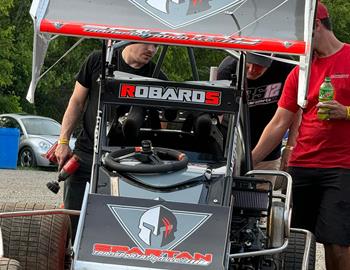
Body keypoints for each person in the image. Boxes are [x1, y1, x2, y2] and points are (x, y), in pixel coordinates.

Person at [252, 2, 350, 269]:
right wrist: (248, 161)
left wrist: (347, 111)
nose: (295, 41)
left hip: (341, 168)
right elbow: (279, 122)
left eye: (299, 33)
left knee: (338, 244)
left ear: (316, 25)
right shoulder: (300, 71)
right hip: (302, 165)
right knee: (293, 241)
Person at [55, 43, 167, 240]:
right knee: (73, 221)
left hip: (130, 164)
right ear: (131, 37)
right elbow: (76, 101)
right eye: (147, 42)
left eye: (156, 45)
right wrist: (63, 141)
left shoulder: (157, 77)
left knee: (118, 228)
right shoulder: (98, 60)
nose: (152, 49)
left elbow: (164, 122)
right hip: (86, 154)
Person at [217, 52, 294, 188]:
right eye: (250, 63)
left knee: (259, 201)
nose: (252, 70)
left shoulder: (286, 67)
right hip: (230, 151)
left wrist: (290, 146)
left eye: (260, 66)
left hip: (268, 152)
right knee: (226, 196)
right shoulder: (228, 68)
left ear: (271, 61)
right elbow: (218, 113)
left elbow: (295, 110)